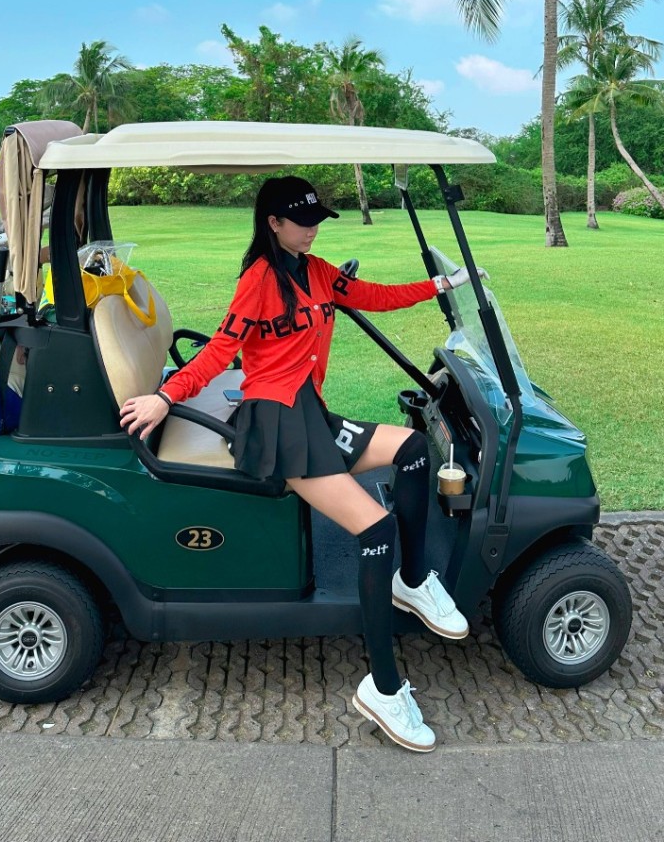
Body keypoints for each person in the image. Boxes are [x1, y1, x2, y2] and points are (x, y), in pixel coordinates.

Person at [119, 175, 471, 753]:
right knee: (375, 530)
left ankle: (410, 583)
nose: (311, 230)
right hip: (278, 428)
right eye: (301, 222)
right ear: (273, 223)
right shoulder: (258, 281)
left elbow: (375, 295)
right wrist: (165, 395)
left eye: (315, 221)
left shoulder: (318, 271)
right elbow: (220, 350)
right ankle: (383, 689)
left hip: (309, 415)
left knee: (411, 450)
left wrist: (440, 284)